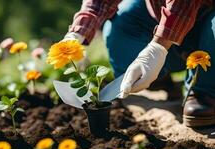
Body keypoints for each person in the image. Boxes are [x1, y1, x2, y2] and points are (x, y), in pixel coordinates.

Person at [63, 0, 215, 127]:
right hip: (160, 15)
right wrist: (78, 32)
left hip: (207, 14)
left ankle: (204, 90)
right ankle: (160, 78)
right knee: (123, 17)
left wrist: (158, 47)